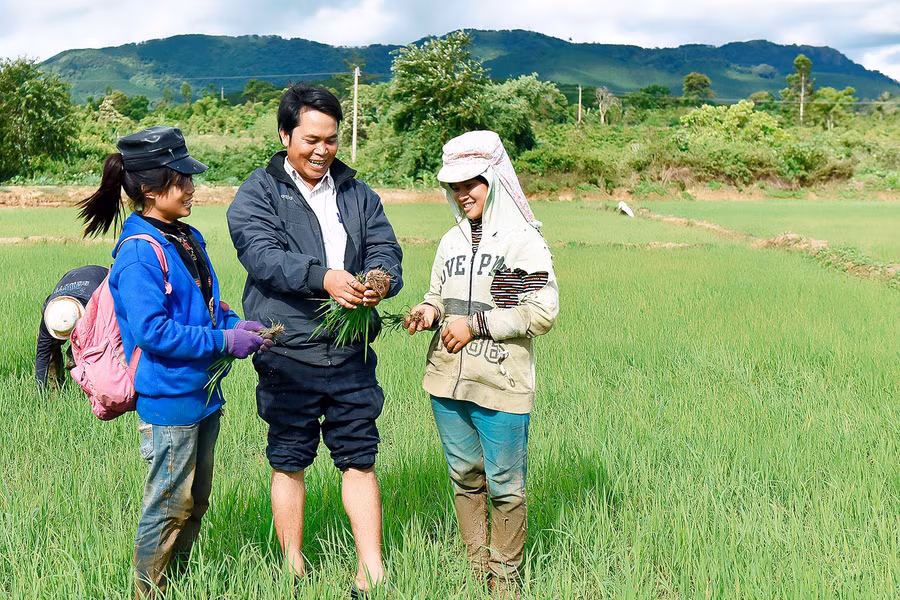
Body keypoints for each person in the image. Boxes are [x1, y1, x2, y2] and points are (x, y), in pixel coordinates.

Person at [77, 125, 271, 598]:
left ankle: (178, 585)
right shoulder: (139, 253)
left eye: (189, 177)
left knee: (194, 502)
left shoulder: (184, 236)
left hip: (203, 396)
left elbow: (201, 304)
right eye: (180, 179)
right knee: (167, 505)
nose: (191, 188)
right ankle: (147, 591)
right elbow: (153, 332)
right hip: (169, 400)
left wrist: (232, 322)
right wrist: (225, 342)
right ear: (149, 189)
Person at [226, 82, 402, 594]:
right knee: (289, 456)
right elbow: (262, 256)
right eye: (311, 139)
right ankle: (293, 566)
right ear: (286, 135)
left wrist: (380, 280)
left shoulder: (356, 192)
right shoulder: (258, 192)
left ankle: (372, 568)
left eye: (331, 139)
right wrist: (323, 277)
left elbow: (386, 249)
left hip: (350, 350)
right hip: (288, 351)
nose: (322, 150)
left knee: (360, 455)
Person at [403, 130, 559, 593]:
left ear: (493, 179)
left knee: (506, 485)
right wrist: (428, 311)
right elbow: (437, 294)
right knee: (464, 477)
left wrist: (476, 325)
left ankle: (505, 580)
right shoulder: (450, 242)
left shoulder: (520, 241)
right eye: (455, 185)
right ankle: (475, 569)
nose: (463, 193)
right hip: (446, 384)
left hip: (501, 382)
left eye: (472, 182)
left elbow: (540, 311)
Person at [36, 265, 108, 388]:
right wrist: (39, 390)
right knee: (49, 347)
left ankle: (88, 392)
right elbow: (42, 355)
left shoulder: (94, 307)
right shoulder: (50, 316)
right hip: (71, 276)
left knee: (93, 352)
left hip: (102, 279)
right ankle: (56, 389)